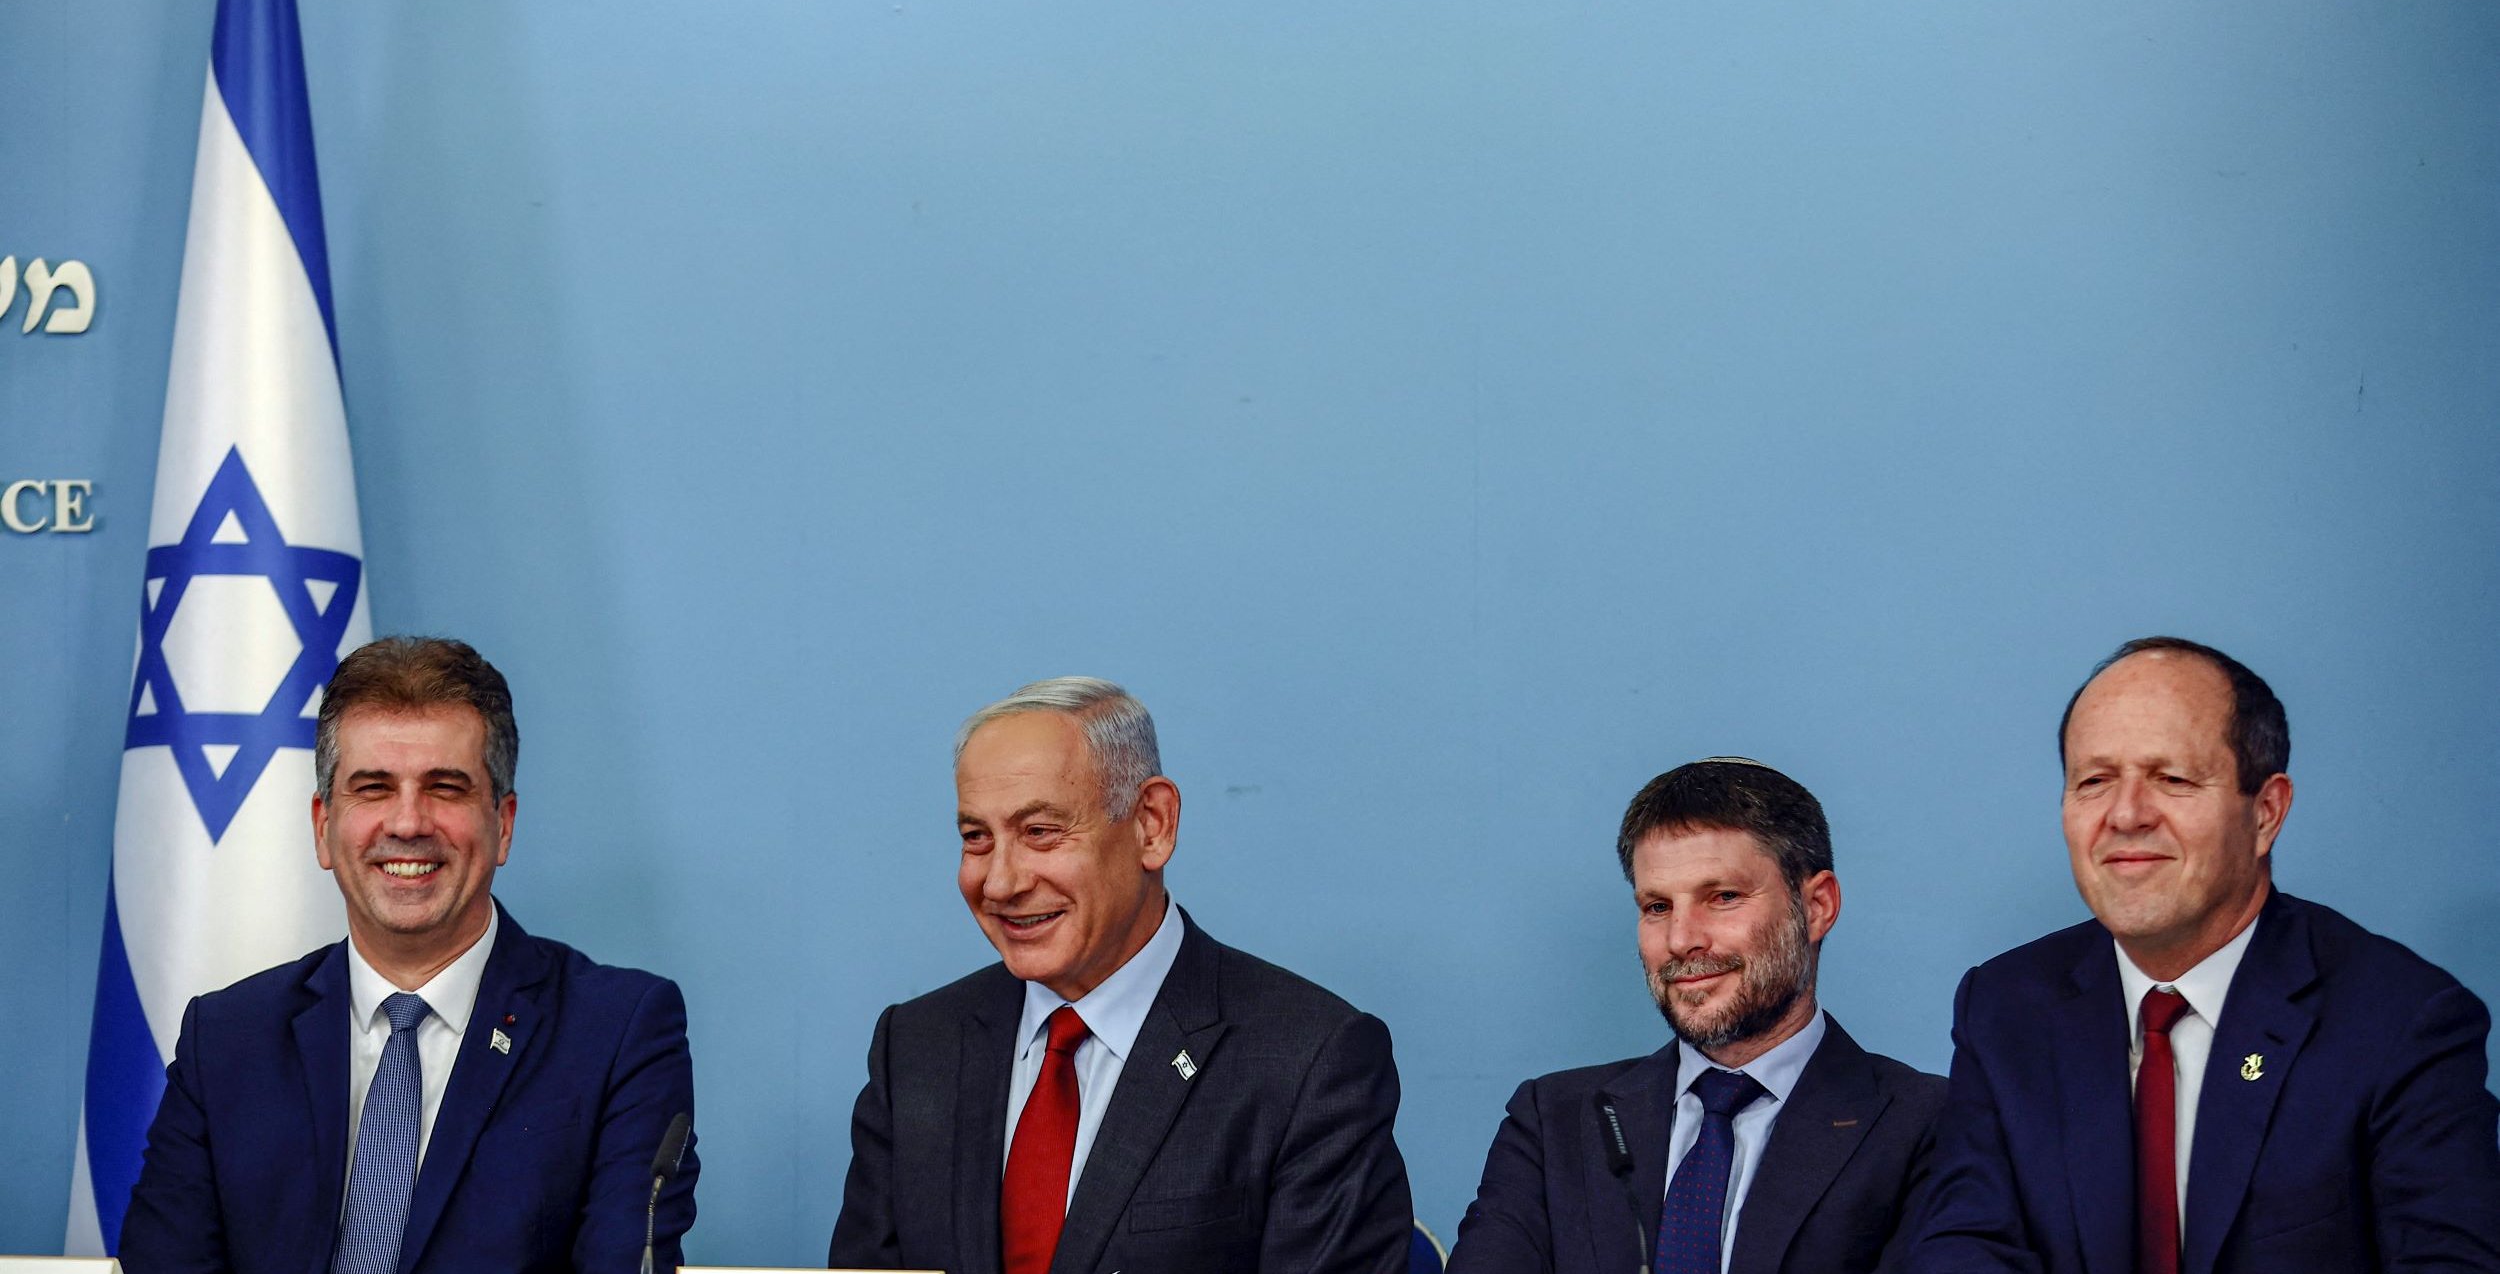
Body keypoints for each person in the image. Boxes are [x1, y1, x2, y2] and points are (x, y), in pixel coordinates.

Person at [1908, 636, 2500, 1272]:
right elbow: (1963, 1245)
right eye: (2095, 781)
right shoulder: (2005, 1006)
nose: (2126, 815)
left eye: (2172, 779)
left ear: (2266, 812)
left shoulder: (2402, 1019)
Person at [119, 637, 697, 1274]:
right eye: (373, 788)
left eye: (445, 788)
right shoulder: (227, 1039)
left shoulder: (616, 1032)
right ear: (323, 827)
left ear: (503, 824)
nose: (408, 823)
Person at [828, 676, 1413, 1274]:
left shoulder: (1307, 1059)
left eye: (1040, 832)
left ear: (1151, 825)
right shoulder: (916, 1047)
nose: (1000, 882)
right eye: (977, 837)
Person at [1447, 757, 1944, 1274]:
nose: (1682, 940)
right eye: (1657, 907)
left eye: (1724, 897)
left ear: (1817, 906)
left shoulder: (1926, 1124)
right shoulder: (1555, 1121)